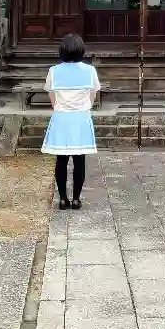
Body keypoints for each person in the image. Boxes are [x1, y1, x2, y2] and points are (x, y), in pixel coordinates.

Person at [41, 33, 100, 210]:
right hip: (81, 118)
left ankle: (62, 198)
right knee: (79, 159)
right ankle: (76, 199)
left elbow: (52, 98)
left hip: (61, 118)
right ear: (81, 50)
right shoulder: (90, 71)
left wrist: (61, 107)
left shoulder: (54, 71)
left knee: (61, 159)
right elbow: (92, 96)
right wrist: (82, 107)